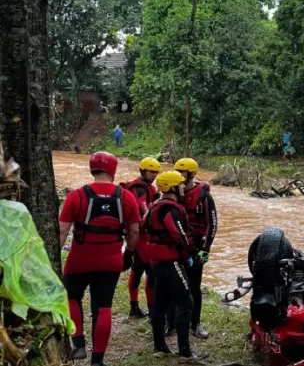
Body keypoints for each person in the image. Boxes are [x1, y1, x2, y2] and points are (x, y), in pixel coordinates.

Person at [59, 152, 140, 366]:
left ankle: (78, 344)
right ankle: (98, 360)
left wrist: (53, 258)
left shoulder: (76, 196)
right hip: (111, 261)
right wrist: (129, 254)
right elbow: (133, 232)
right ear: (112, 170)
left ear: (92, 168)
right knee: (103, 306)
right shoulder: (127, 197)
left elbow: (61, 232)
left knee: (71, 297)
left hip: (79, 259)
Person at [146, 171, 208, 359]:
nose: (183, 187)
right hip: (171, 262)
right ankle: (185, 351)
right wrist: (189, 256)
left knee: (161, 302)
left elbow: (144, 225)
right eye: (180, 184)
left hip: (157, 262)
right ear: (173, 187)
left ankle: (160, 345)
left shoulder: (155, 205)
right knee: (186, 302)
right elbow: (180, 236)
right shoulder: (171, 209)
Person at [173, 158, 217, 339]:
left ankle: (195, 323)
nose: (178, 176)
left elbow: (212, 225)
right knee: (175, 285)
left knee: (195, 286)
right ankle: (173, 322)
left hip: (198, 247)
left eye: (181, 173)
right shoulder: (174, 192)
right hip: (177, 247)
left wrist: (205, 250)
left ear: (191, 174)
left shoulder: (204, 196)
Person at [122, 157, 161, 318]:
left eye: (156, 172)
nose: (154, 175)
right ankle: (151, 310)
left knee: (137, 269)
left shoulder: (145, 187)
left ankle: (134, 307)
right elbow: (143, 214)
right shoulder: (139, 189)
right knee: (150, 271)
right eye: (151, 172)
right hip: (140, 234)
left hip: (137, 234)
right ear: (143, 171)